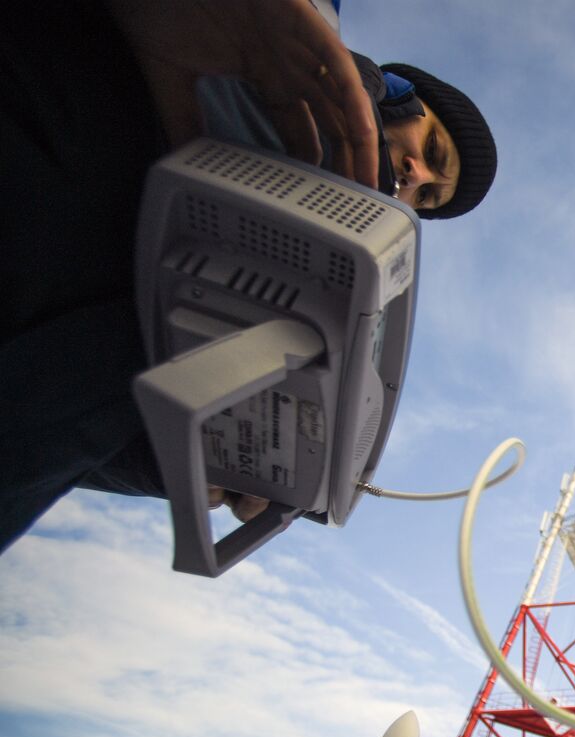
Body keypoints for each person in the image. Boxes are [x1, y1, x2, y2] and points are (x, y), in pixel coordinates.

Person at [0, 0, 497, 548]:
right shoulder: (266, 53)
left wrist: (181, 461)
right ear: (401, 92)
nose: (415, 176)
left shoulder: (304, 295)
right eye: (430, 150)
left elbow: (62, 437)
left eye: (425, 197)